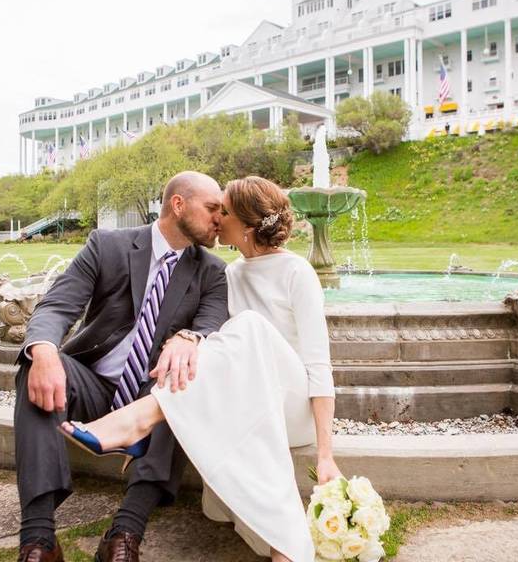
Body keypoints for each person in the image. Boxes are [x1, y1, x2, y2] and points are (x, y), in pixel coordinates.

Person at [61, 176, 342, 562]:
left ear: (244, 224)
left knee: (248, 327)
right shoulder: (226, 275)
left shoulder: (297, 272)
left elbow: (318, 365)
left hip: (294, 408)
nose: (214, 218)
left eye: (221, 210)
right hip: (250, 403)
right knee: (200, 347)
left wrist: (325, 454)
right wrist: (186, 341)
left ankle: (140, 418)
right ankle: (285, 548)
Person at [14, 171, 229, 562]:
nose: (220, 218)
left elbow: (212, 321)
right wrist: (43, 349)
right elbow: (59, 304)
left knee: (183, 382)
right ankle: (39, 539)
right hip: (93, 382)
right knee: (35, 365)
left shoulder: (212, 271)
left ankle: (125, 534)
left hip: (152, 394)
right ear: (178, 204)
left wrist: (191, 338)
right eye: (213, 208)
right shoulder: (107, 245)